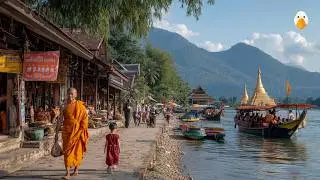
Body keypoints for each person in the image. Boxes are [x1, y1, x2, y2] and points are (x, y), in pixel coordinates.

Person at [62, 88, 89, 179]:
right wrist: (56, 132)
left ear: (76, 95)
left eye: (72, 94)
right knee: (67, 152)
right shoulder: (64, 106)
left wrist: (81, 129)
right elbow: (60, 120)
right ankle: (67, 173)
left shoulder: (80, 106)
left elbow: (85, 119)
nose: (70, 96)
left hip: (77, 132)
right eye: (68, 94)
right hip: (67, 132)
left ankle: (76, 169)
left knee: (77, 151)